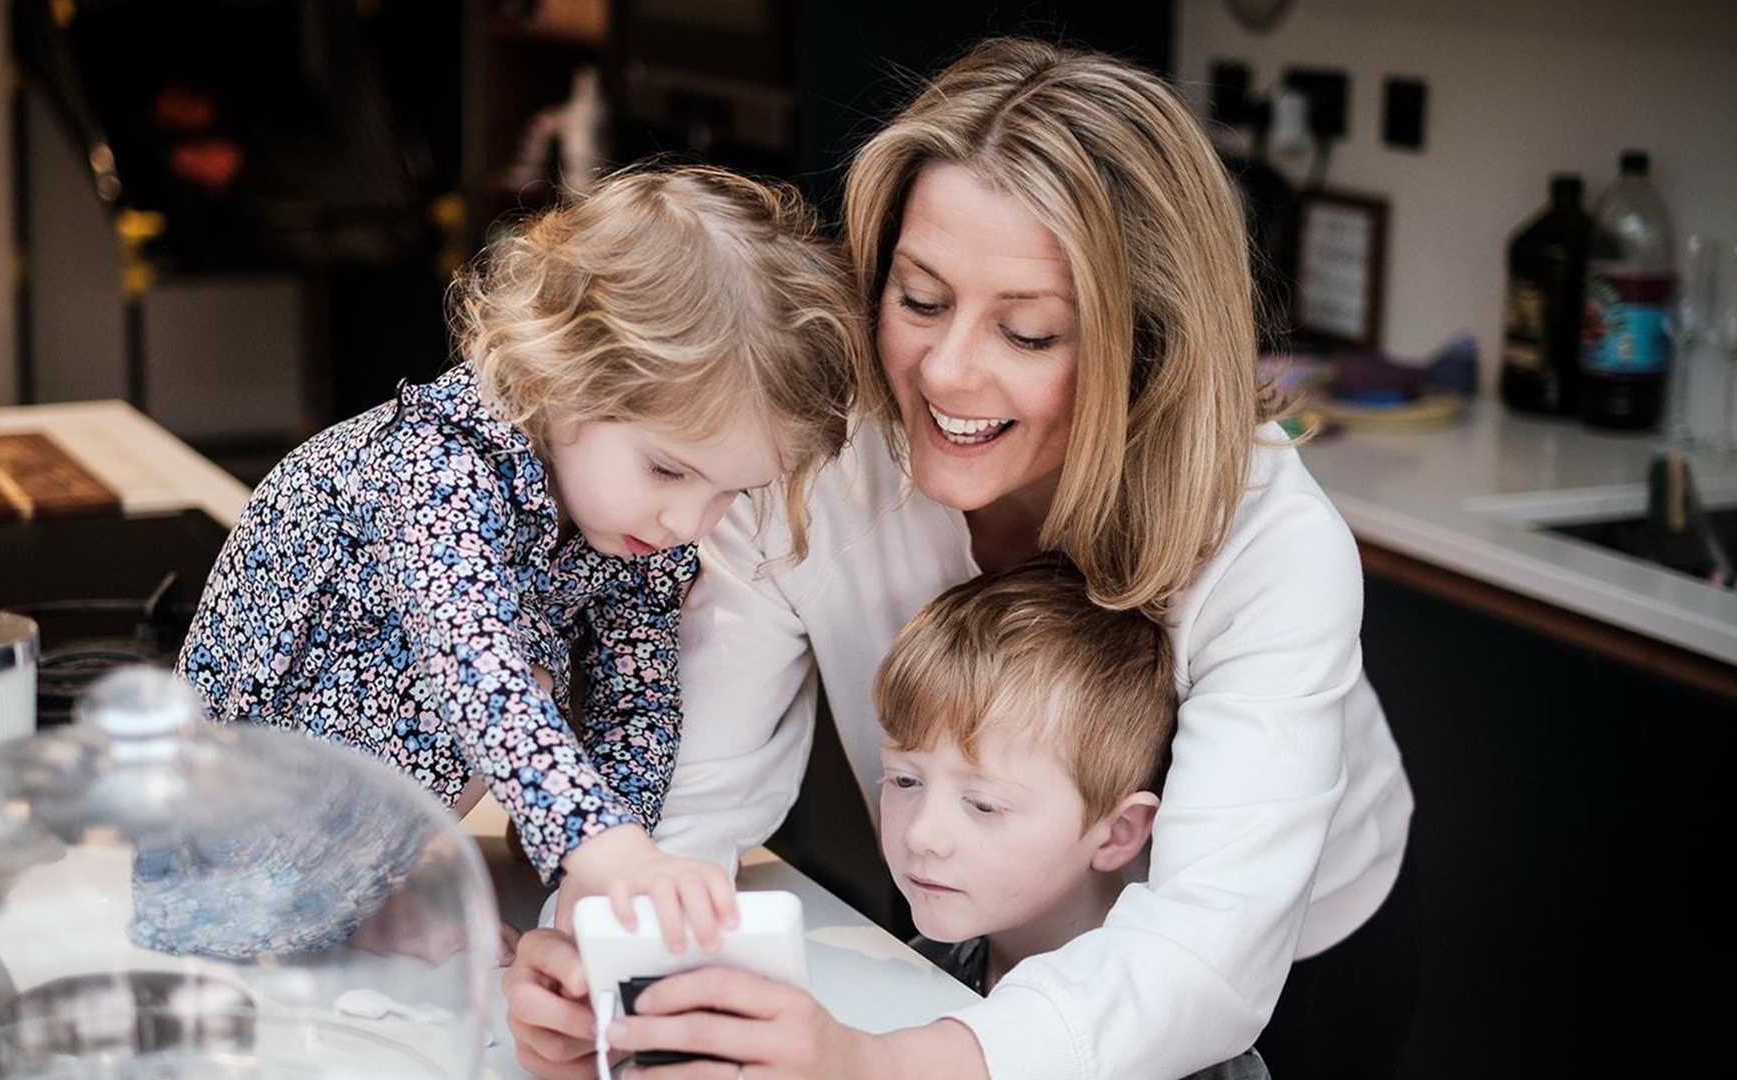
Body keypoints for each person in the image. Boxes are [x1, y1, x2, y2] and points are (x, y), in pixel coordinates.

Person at [504, 36, 1419, 1080]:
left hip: (1279, 965)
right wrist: (602, 956)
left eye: (1028, 333)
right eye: (921, 300)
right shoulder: (809, 450)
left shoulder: (1268, 540)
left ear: (1146, 347)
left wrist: (870, 1066)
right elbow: (698, 785)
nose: (945, 371)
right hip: (971, 927)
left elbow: (1205, 959)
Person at [176, 163, 864, 951]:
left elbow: (637, 705)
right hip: (224, 833)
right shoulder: (438, 464)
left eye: (729, 494)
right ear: (566, 377)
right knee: (508, 672)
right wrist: (594, 842)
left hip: (343, 809)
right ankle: (340, 902)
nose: (687, 520)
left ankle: (370, 894)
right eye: (669, 470)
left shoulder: (636, 526)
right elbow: (472, 666)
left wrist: (601, 879)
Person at [602, 554, 1268, 1078]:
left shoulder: (1190, 1053)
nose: (922, 835)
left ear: (1118, 833)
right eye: (904, 779)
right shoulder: (931, 962)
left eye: (984, 804)